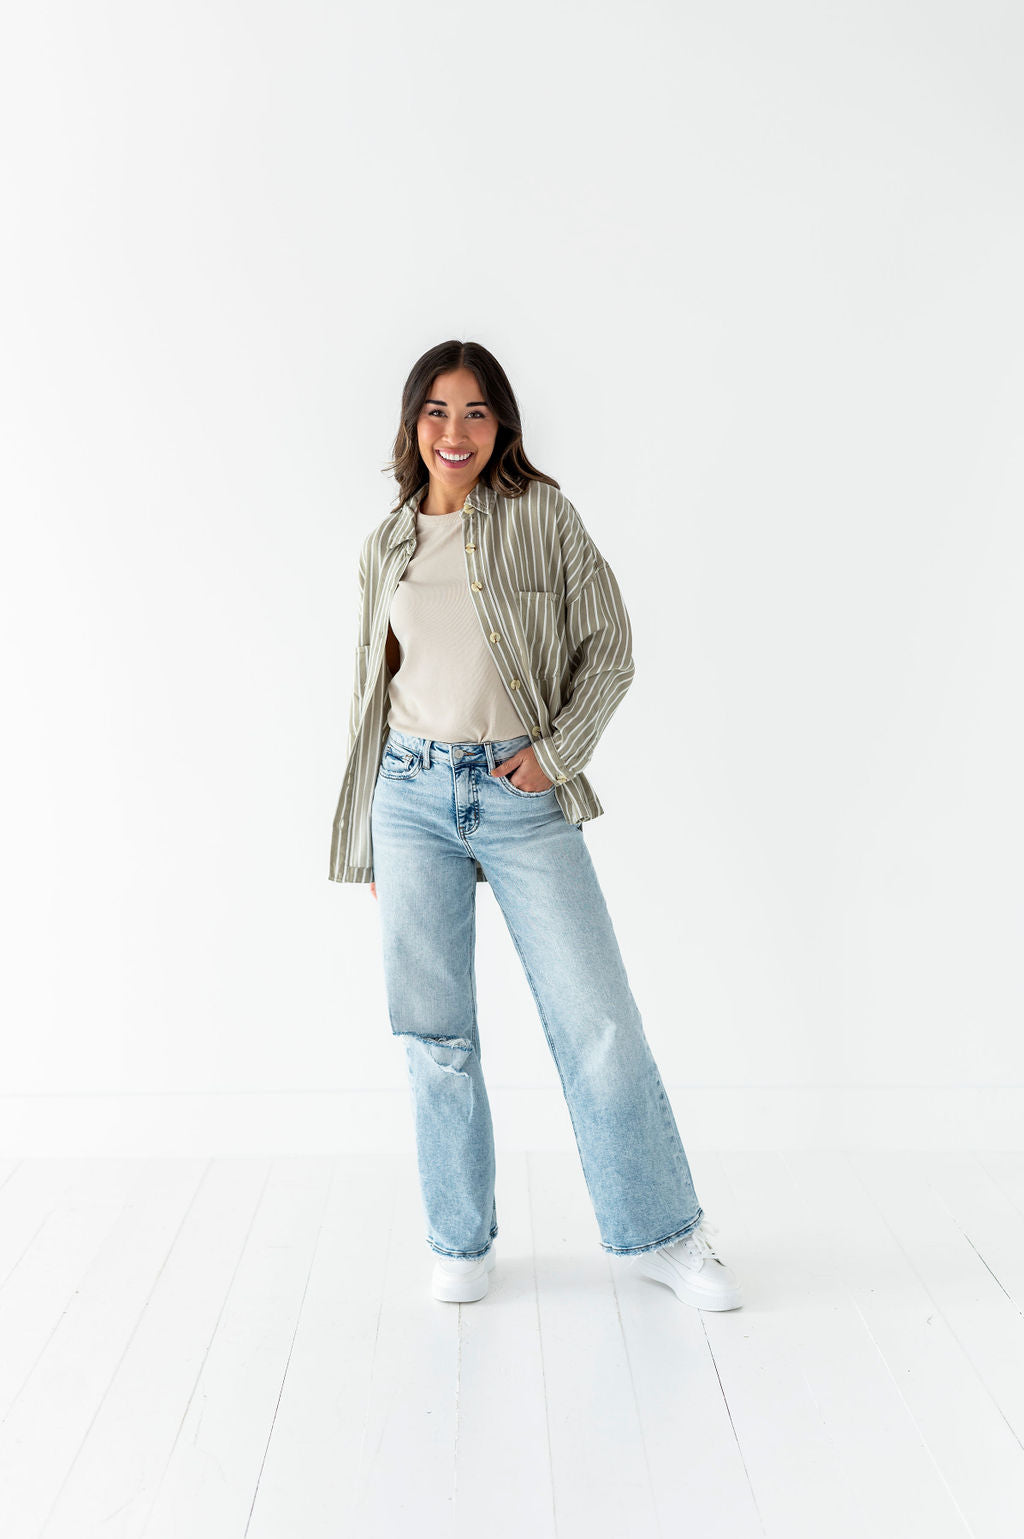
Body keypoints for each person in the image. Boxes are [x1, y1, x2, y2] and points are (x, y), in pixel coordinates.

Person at [330, 339, 743, 1312]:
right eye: (437, 410)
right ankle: (458, 1241)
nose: (456, 430)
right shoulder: (385, 544)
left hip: (521, 794)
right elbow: (367, 695)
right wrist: (366, 836)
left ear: (501, 424)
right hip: (409, 796)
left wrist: (555, 756)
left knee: (596, 1019)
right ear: (412, 423)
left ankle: (663, 1234)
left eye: (476, 411)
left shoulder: (542, 516)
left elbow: (611, 645)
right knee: (434, 1033)